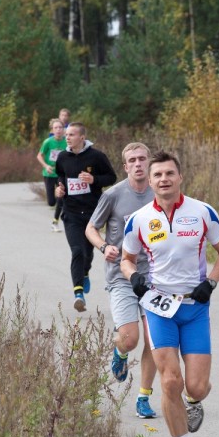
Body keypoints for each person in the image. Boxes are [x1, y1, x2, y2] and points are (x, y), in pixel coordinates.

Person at [120, 151, 219, 437]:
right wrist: (133, 277)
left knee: (195, 386)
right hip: (158, 308)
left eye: (169, 173)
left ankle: (193, 400)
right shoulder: (139, 218)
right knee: (170, 381)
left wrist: (210, 283)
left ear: (180, 177)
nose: (163, 179)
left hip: (194, 308)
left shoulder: (201, 212)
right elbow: (127, 259)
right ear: (150, 181)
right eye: (158, 175)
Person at [85, 142, 158, 419]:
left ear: (149, 163)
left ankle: (143, 397)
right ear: (125, 166)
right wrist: (104, 247)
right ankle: (121, 351)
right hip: (122, 276)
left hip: (155, 277)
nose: (138, 164)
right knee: (130, 339)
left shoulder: (160, 193)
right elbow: (91, 227)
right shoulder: (113, 195)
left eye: (142, 159)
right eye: (132, 160)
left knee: (155, 340)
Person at [54, 122, 117, 312]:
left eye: (71, 134)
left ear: (82, 137)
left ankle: (86, 272)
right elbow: (60, 176)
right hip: (71, 213)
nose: (67, 138)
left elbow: (111, 177)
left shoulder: (96, 157)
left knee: (88, 253)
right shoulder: (63, 157)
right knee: (77, 251)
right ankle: (78, 293)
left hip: (92, 214)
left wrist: (94, 180)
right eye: (66, 135)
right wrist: (59, 188)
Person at [37, 118, 67, 232]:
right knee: (51, 202)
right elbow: (39, 156)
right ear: (52, 130)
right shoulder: (48, 142)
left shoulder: (67, 141)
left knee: (61, 196)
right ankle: (58, 205)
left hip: (61, 174)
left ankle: (55, 221)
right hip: (49, 173)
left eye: (60, 127)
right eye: (56, 128)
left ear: (64, 129)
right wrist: (46, 166)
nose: (58, 130)